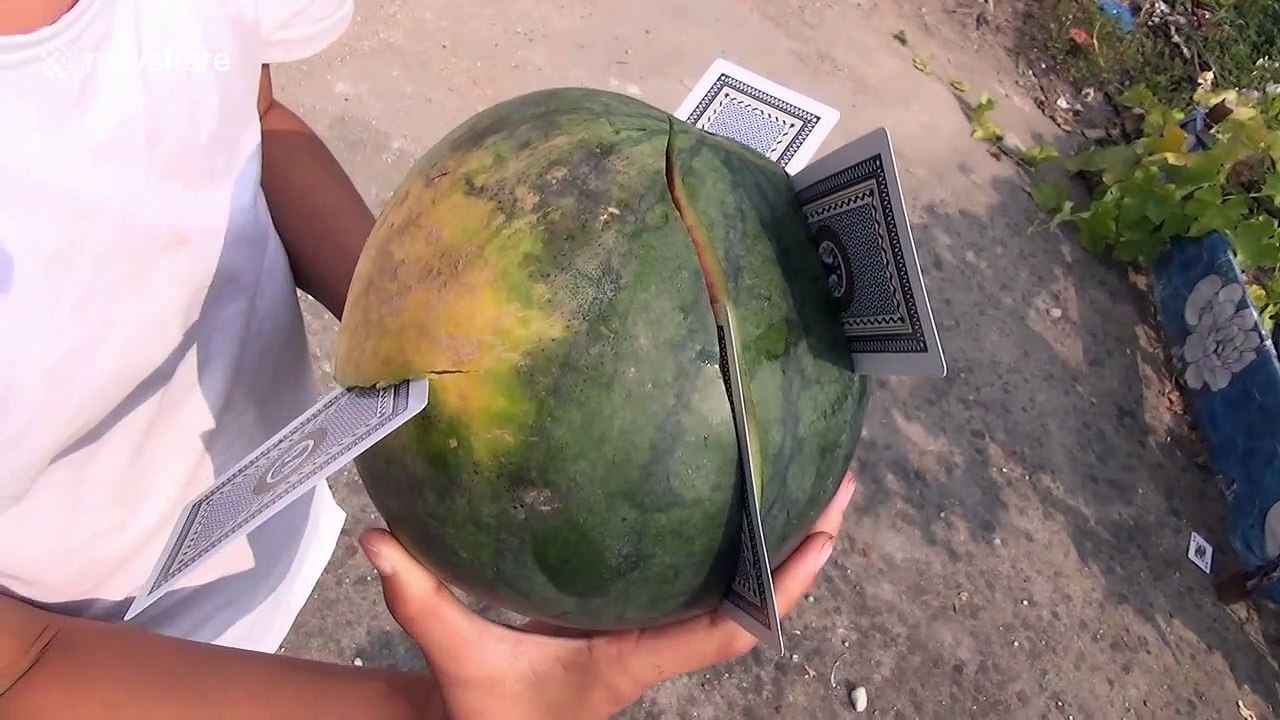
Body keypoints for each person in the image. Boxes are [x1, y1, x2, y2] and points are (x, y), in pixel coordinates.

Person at [0, 1, 857, 717]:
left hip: (258, 534)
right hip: (95, 660)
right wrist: (431, 711)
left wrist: (431, 327)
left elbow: (253, 115)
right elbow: (23, 662)